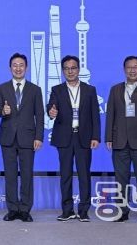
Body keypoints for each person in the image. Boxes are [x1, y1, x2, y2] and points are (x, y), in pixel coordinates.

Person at [48, 55, 100, 222]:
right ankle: (67, 210)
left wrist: (95, 136)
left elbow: (95, 115)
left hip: (84, 137)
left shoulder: (89, 90)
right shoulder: (57, 90)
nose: (70, 71)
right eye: (66, 68)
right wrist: (51, 112)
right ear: (63, 71)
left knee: (84, 175)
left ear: (78, 69)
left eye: (73, 68)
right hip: (64, 138)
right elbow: (51, 107)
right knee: (65, 175)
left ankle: (84, 211)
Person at [105, 56, 137, 223]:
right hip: (119, 141)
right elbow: (110, 114)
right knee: (121, 179)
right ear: (124, 69)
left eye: (136, 67)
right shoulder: (115, 89)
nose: (132, 70)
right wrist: (109, 137)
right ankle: (122, 211)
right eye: (129, 67)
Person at [0, 53, 44, 222]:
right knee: (10, 175)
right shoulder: (2, 88)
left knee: (27, 175)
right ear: (10, 68)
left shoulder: (35, 89)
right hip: (7, 137)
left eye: (21, 65)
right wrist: (2, 111)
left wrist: (39, 137)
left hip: (28, 138)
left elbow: (40, 115)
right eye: (14, 65)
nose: (18, 68)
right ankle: (12, 209)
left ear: (26, 68)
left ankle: (25, 209)